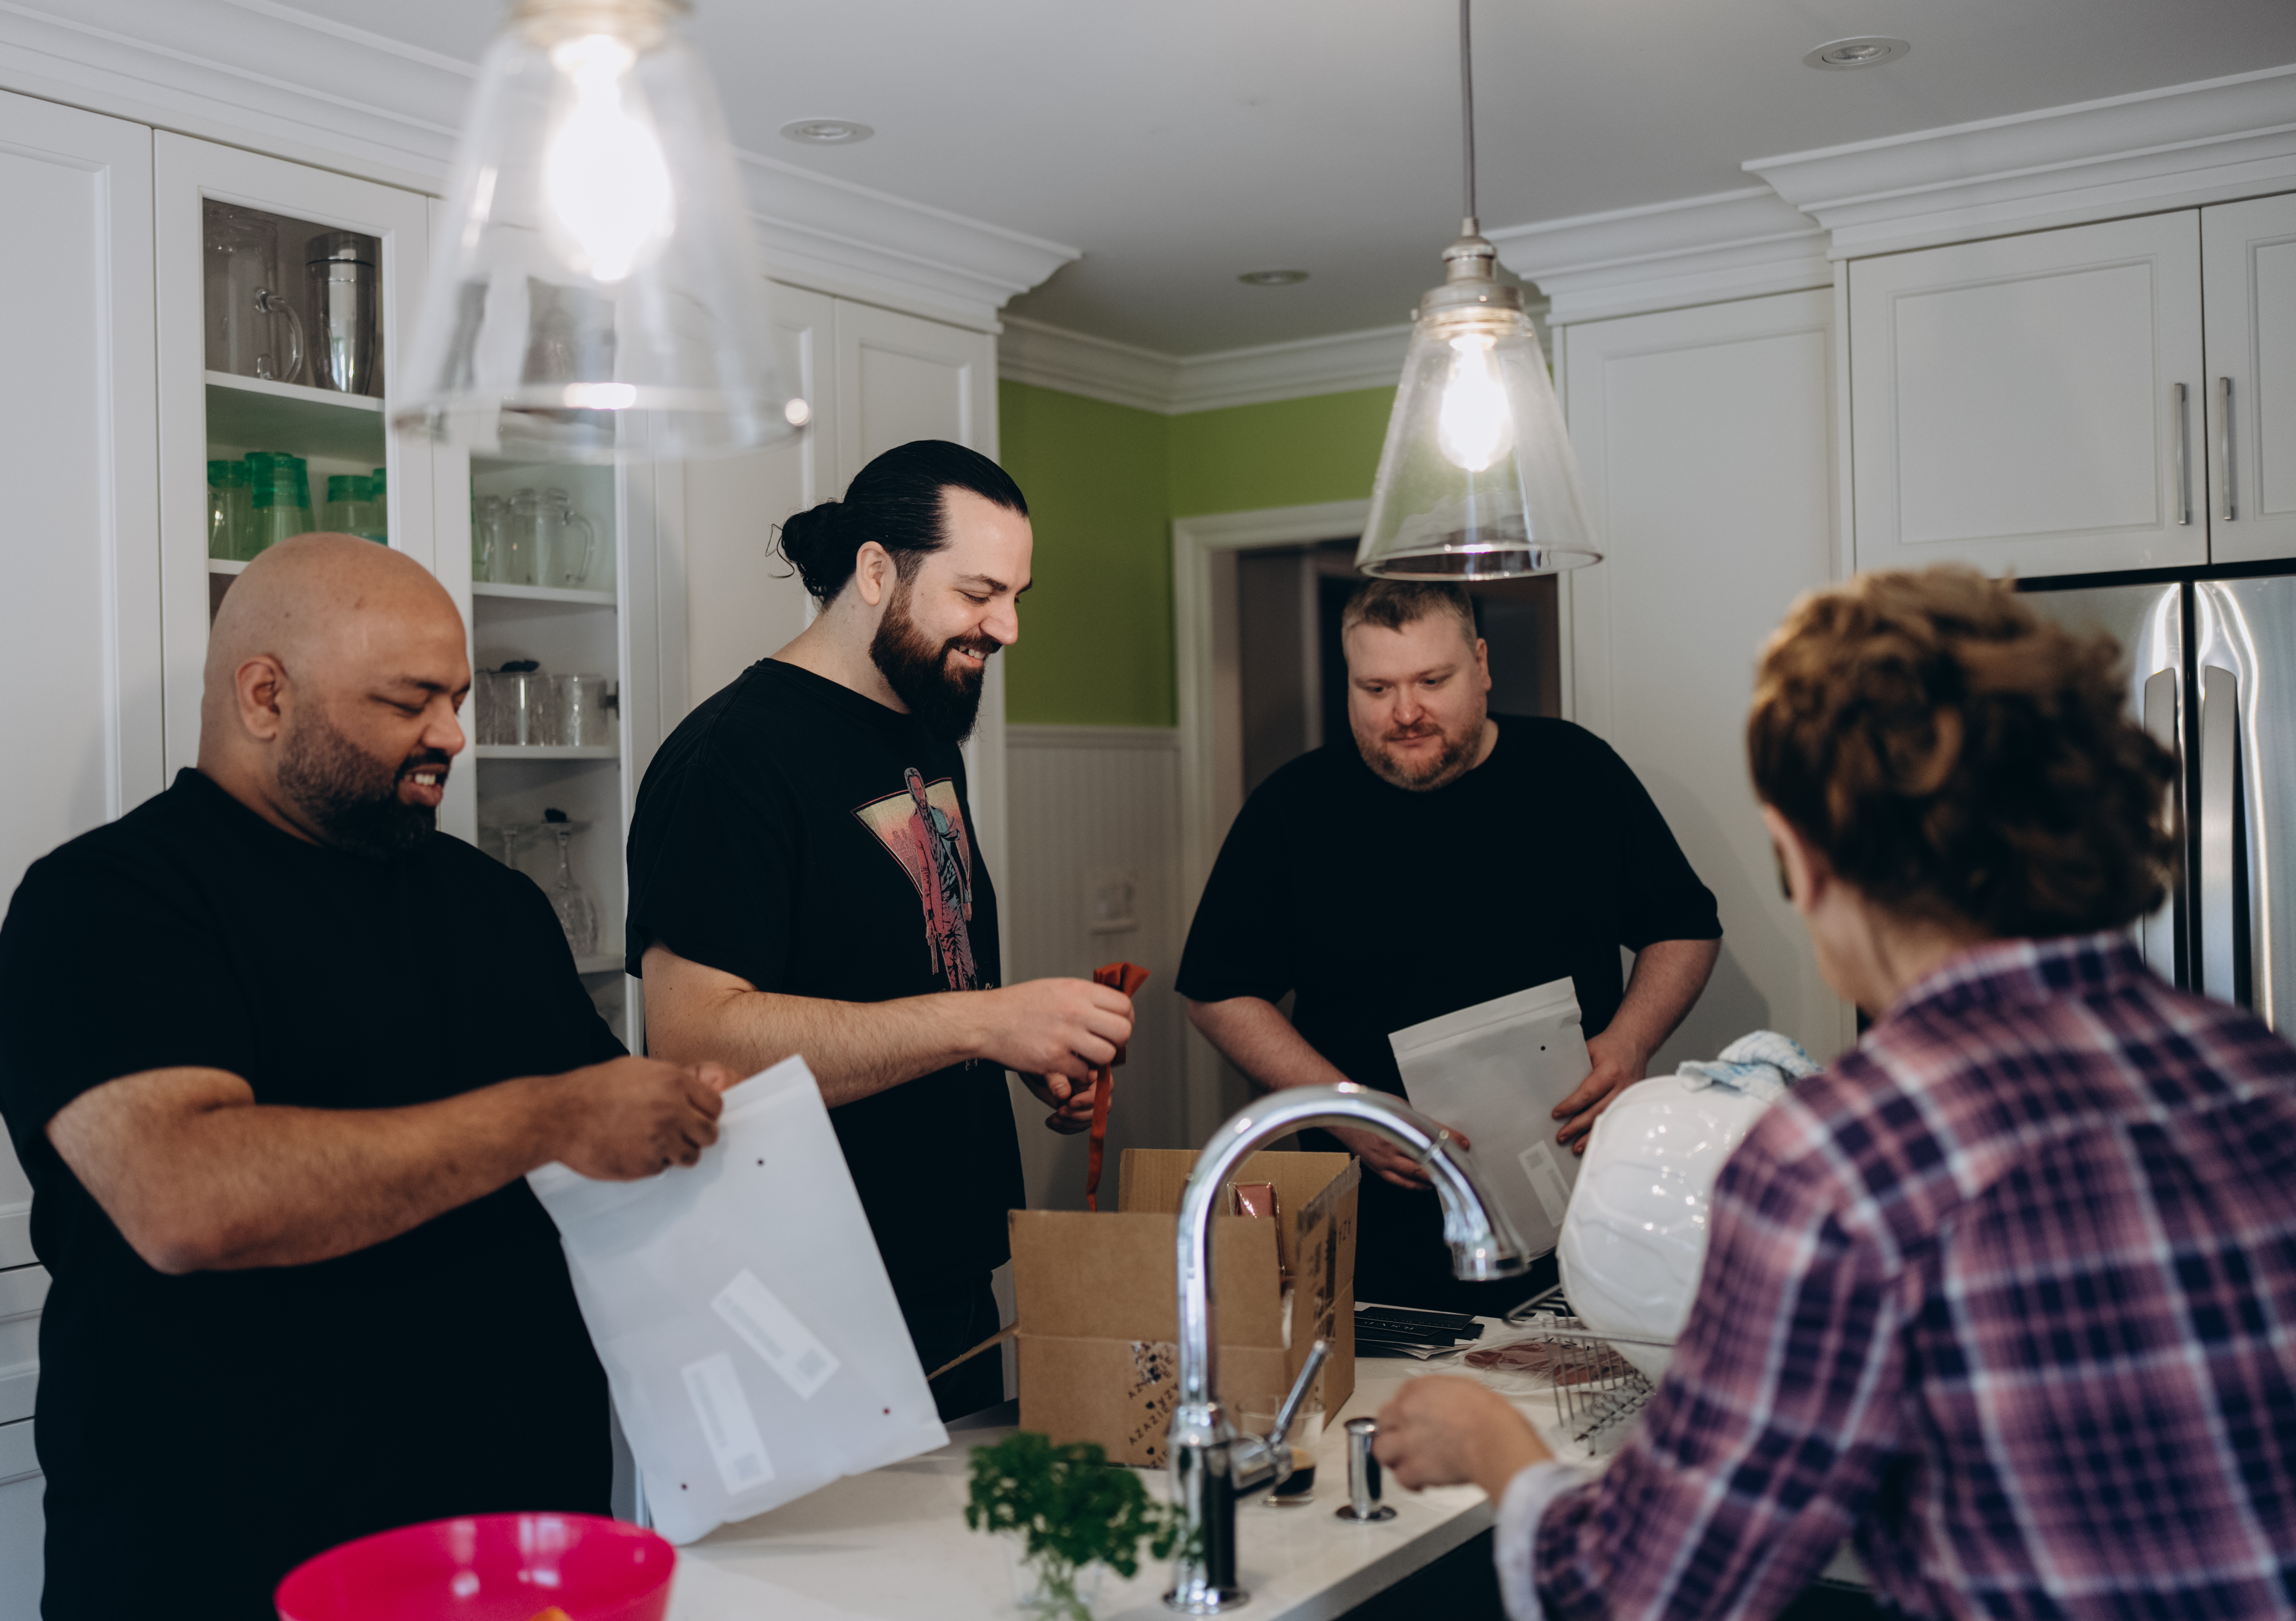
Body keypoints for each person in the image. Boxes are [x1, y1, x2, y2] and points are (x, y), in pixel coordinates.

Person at [1374, 566, 2296, 1621]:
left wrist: (1494, 1447)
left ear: (1810, 860)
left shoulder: (1843, 1163)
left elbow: (1647, 1594)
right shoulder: (2255, 1072)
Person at [0, 536, 732, 1621]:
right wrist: (548, 1117)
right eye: (407, 701)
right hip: (223, 1566)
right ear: (266, 696)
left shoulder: (496, 905)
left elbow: (603, 1143)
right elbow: (186, 1198)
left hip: (519, 1554)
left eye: (457, 699)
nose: (453, 735)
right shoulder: (108, 901)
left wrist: (679, 1115)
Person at [627, 440, 1135, 1420]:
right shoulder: (731, 760)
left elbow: (906, 968)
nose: (1008, 628)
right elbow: (695, 1043)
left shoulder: (923, 720)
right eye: (979, 593)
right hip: (801, 1296)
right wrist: (985, 1023)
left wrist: (1019, 1046)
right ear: (874, 571)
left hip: (952, 1268)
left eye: (1017, 595)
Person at [1175, 579, 1720, 1311]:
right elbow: (1217, 991)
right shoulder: (1292, 808)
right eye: (1377, 688)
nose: (1406, 713)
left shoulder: (1577, 770)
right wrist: (1347, 1111)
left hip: (1577, 1195)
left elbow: (1684, 926)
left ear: (1482, 665)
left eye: (1432, 681)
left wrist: (1631, 1042)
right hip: (1376, 1223)